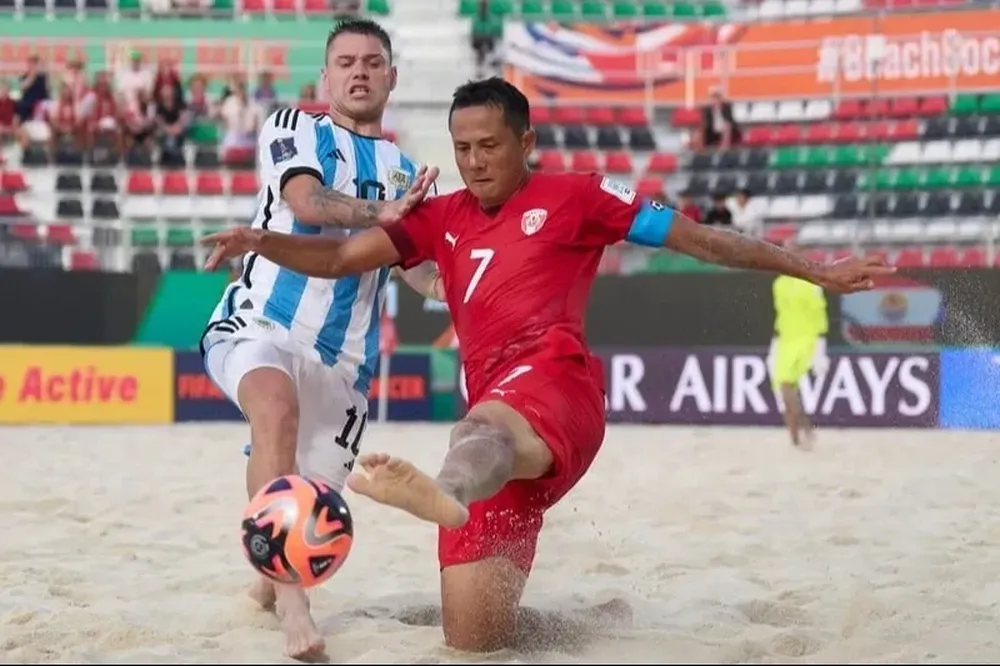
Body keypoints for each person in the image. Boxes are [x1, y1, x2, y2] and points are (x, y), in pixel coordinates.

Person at [201, 76, 895, 652]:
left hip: (556, 389)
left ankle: (440, 494)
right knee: (475, 637)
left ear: (526, 141)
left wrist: (814, 270)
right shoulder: (439, 216)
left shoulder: (580, 197)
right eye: (462, 148)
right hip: (497, 432)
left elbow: (702, 241)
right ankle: (587, 621)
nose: (474, 162)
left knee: (479, 434)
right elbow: (340, 258)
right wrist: (261, 240)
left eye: (489, 146)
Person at [199, 19, 440, 660]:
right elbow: (307, 203)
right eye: (345, 62)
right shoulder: (292, 126)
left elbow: (417, 272)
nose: (358, 71)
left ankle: (262, 590)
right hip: (260, 323)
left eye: (372, 62)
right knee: (274, 413)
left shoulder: (408, 173)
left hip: (346, 366)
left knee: (308, 505)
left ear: (391, 77)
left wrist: (465, 287)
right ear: (326, 77)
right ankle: (295, 605)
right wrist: (378, 214)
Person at [767, 239, 831, 448]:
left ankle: (800, 434)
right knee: (785, 390)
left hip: (807, 340)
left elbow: (819, 312)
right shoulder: (779, 284)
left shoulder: (810, 282)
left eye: (792, 252)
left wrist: (820, 345)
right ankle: (799, 434)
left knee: (787, 387)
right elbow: (781, 314)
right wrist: (776, 341)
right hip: (784, 340)